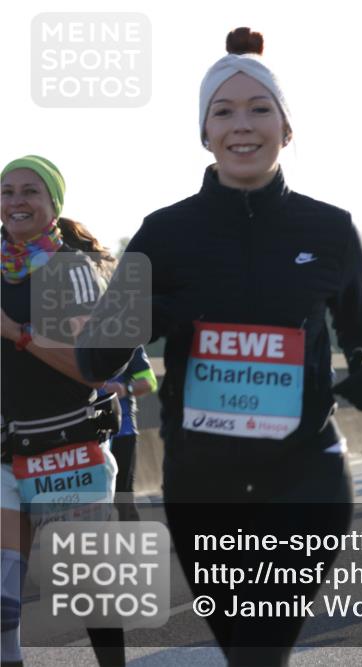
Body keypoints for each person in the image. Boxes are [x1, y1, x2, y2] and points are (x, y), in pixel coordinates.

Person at [74, 28, 362, 666]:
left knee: (260, 652)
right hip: (202, 482)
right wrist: (148, 313)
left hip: (305, 475)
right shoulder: (163, 233)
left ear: (286, 127)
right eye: (224, 111)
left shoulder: (328, 228)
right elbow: (92, 360)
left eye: (259, 109)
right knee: (240, 649)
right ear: (204, 131)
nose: (242, 125)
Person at [1, 155, 125, 667]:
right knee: (3, 586)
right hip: (5, 452)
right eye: (6, 192)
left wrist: (16, 333)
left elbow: (91, 371)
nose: (16, 202)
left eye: (30, 191)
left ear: (53, 204)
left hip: (67, 448)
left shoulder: (71, 270)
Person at [101, 345, 158, 520]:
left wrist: (125, 389)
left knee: (122, 496)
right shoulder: (73, 339)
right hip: (86, 433)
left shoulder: (128, 342)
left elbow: (150, 382)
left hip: (121, 431)